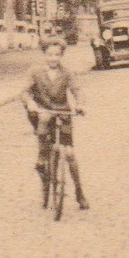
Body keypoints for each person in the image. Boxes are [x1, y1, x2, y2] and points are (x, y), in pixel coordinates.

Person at [21, 39, 88, 210]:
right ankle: (42, 158)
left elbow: (76, 90)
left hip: (62, 113)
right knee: (43, 124)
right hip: (42, 112)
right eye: (50, 54)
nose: (53, 58)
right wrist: (30, 103)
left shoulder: (67, 73)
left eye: (57, 55)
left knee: (70, 154)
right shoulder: (35, 72)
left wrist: (80, 104)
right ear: (44, 54)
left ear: (61, 56)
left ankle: (79, 192)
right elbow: (25, 91)